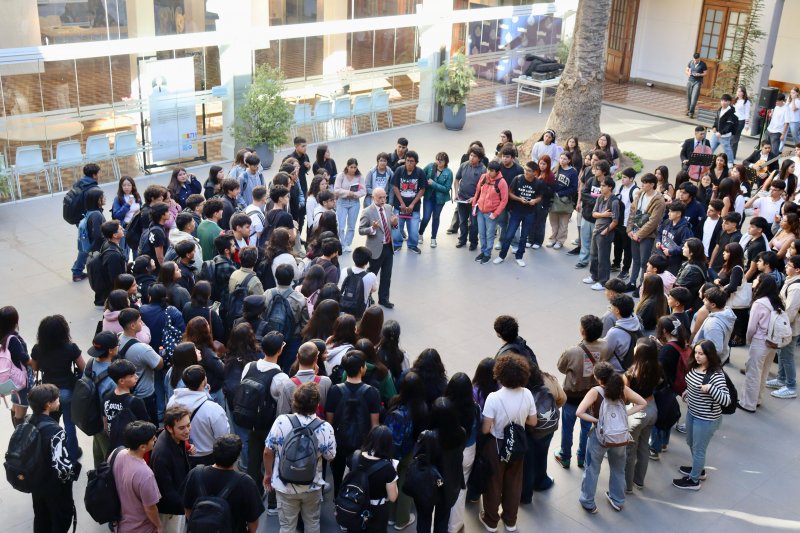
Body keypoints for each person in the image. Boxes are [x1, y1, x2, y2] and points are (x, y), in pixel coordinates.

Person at [264, 382, 336, 533]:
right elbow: (330, 456)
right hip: (312, 485)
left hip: (284, 485)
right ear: (317, 405)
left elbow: (267, 451)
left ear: (295, 402)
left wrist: (268, 474)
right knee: (312, 524)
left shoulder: (281, 421)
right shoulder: (325, 427)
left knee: (287, 527)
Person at [577, 362, 646, 513]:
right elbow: (642, 402)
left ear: (597, 378)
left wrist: (597, 421)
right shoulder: (622, 388)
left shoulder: (595, 392)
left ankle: (588, 501)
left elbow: (579, 412)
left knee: (592, 469)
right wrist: (624, 414)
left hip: (600, 437)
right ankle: (618, 500)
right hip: (619, 436)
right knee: (618, 468)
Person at [479, 353, 538, 531]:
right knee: (514, 483)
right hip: (518, 444)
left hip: (497, 445)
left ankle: (491, 521)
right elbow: (533, 421)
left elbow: (485, 429)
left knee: (494, 483)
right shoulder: (527, 394)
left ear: (500, 374)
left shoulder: (493, 398)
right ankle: (510, 521)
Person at [673, 340, 731, 490]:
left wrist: (710, 388)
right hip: (693, 412)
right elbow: (693, 382)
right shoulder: (695, 366)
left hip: (706, 419)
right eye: (696, 353)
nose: (697, 356)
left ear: (709, 355)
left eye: (701, 354)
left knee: (699, 449)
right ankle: (698, 470)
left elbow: (726, 400)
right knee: (691, 442)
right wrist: (688, 392)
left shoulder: (716, 375)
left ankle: (694, 481)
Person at [183, 434, 265, 533]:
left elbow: (187, 507)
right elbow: (253, 520)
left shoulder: (195, 474)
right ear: (237, 457)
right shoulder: (246, 482)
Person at [555, 315, 607, 469]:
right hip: (592, 396)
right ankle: (582, 457)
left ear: (582, 332)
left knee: (567, 428)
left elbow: (561, 367)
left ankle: (565, 457)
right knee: (586, 428)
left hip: (572, 396)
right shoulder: (605, 347)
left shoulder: (572, 351)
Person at [325, 351, 381, 496]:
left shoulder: (335, 390)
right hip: (362, 445)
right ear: (362, 369)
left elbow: (329, 422)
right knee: (360, 480)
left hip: (339, 444)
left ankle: (338, 500)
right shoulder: (372, 392)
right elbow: (375, 425)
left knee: (338, 478)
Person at [29, 315, 84, 461]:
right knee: (69, 424)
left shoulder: (38, 349)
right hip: (67, 391)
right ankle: (72, 455)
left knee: (50, 424)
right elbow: (83, 367)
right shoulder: (71, 348)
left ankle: (52, 452)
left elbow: (34, 368)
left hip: (48, 393)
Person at [26, 384, 79, 533]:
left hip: (36, 482)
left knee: (41, 518)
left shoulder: (28, 421)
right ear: (48, 404)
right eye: (56, 399)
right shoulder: (55, 431)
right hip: (53, 486)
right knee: (59, 520)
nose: (59, 401)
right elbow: (62, 468)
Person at [412, 397, 465, 533]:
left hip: (428, 484)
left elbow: (416, 456)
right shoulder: (461, 432)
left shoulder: (427, 436)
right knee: (442, 520)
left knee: (424, 519)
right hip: (449, 484)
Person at [740, 273, 783, 413]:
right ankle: (757, 399)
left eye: (757, 280)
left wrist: (749, 339)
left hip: (760, 341)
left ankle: (748, 404)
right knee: (764, 372)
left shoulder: (759, 303)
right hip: (773, 342)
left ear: (761, 285)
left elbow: (751, 328)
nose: (754, 281)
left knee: (753, 373)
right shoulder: (777, 301)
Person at [344, 426, 399, 532]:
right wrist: (395, 473)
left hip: (354, 505)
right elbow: (393, 497)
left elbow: (345, 481)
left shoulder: (354, 457)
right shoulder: (388, 467)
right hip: (377, 512)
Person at [622, 338, 660, 493]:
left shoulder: (630, 374)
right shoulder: (657, 369)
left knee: (630, 451)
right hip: (652, 409)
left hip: (636, 413)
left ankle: (627, 486)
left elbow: (625, 398)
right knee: (644, 446)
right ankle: (639, 481)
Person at [117, 308, 165, 422]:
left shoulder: (118, 337)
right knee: (150, 424)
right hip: (144, 394)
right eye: (140, 320)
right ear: (132, 326)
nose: (142, 323)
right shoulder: (143, 349)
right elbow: (159, 365)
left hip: (128, 390)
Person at [113, 421, 162, 533]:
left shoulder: (116, 453)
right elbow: (150, 508)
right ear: (142, 447)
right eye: (152, 439)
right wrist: (159, 526)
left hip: (120, 524)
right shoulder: (145, 474)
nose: (155, 439)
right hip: (141, 528)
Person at [150, 405, 192, 533]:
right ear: (169, 428)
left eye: (188, 425)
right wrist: (187, 508)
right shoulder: (162, 454)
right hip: (171, 512)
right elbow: (166, 492)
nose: (187, 430)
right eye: (182, 428)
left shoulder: (177, 438)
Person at [264, 264, 310, 371]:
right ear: (292, 277)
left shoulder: (267, 294)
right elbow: (305, 324)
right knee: (289, 369)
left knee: (271, 367)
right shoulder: (300, 298)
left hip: (271, 337)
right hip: (292, 338)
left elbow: (262, 315)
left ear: (276, 276)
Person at [494, 161, 540, 267]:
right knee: (509, 234)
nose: (526, 172)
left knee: (523, 237)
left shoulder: (538, 183)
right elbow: (509, 193)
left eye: (529, 171)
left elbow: (540, 196)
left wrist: (535, 201)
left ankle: (519, 257)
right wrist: (519, 199)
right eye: (525, 169)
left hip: (529, 213)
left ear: (534, 172)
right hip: (516, 212)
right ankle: (501, 256)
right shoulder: (518, 179)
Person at [358, 187, 398, 309]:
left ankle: (384, 299)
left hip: (388, 247)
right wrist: (372, 228)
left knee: (387, 276)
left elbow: (392, 224)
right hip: (375, 249)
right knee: (371, 275)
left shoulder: (389, 208)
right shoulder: (367, 211)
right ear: (373, 198)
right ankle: (367, 296)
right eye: (380, 197)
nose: (383, 200)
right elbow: (361, 230)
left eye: (384, 197)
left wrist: (395, 223)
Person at [627, 173, 666, 291]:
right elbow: (632, 212)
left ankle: (642, 285)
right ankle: (632, 282)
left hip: (648, 235)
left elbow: (653, 221)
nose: (642, 185)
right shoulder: (639, 194)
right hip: (634, 231)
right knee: (636, 259)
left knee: (645, 262)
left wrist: (639, 234)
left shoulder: (659, 200)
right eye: (642, 182)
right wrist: (629, 229)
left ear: (652, 184)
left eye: (645, 183)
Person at [770, 254, 800, 399]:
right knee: (782, 353)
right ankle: (781, 379)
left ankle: (791, 386)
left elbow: (791, 311)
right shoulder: (791, 281)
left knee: (787, 356)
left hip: (790, 327)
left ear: (797, 270)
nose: (786, 267)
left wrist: (782, 327)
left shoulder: (796, 287)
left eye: (789, 265)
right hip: (786, 325)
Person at [584, 176, 619, 291]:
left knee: (603, 258)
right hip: (597, 230)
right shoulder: (600, 198)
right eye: (601, 185)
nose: (601, 187)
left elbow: (615, 221)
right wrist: (603, 214)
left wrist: (605, 231)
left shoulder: (614, 201)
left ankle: (603, 282)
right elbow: (594, 213)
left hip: (605, 233)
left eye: (604, 186)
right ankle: (594, 276)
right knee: (594, 255)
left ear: (610, 187)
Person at [472, 160, 509, 264]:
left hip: (491, 213)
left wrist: (495, 214)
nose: (489, 172)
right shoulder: (483, 177)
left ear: (497, 172)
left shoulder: (502, 182)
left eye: (492, 171)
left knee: (489, 234)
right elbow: (477, 191)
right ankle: (483, 251)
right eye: (488, 169)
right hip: (480, 210)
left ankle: (487, 254)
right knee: (481, 233)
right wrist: (474, 204)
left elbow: (504, 200)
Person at [70, 163, 101, 282]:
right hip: (89, 220)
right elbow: (94, 206)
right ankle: (77, 271)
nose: (99, 175)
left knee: (85, 244)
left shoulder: (80, 183)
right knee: (87, 246)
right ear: (94, 175)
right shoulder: (93, 188)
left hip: (80, 219)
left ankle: (77, 271)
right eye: (98, 173)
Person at [390, 150, 426, 254]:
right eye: (407, 160)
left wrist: (412, 204)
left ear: (416, 162)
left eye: (412, 161)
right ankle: (397, 244)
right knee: (396, 228)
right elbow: (395, 187)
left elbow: (422, 189)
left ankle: (412, 245)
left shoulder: (420, 172)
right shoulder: (399, 170)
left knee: (414, 229)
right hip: (399, 206)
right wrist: (401, 203)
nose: (409, 163)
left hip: (414, 207)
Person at [575, 155, 605, 269]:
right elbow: (583, 193)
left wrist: (594, 201)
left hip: (598, 219)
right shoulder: (591, 180)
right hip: (587, 215)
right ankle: (583, 260)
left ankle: (595, 263)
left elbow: (606, 200)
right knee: (585, 240)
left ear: (604, 171)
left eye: (597, 169)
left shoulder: (608, 183)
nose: (594, 170)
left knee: (595, 244)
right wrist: (596, 201)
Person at [418, 152, 453, 248]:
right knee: (426, 217)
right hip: (428, 196)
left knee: (436, 217)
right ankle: (420, 233)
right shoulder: (430, 166)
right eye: (437, 159)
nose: (438, 162)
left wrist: (434, 184)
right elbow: (421, 175)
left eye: (441, 160)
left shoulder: (448, 172)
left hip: (440, 199)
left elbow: (446, 189)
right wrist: (424, 184)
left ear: (446, 161)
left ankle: (433, 238)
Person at [455, 146, 486, 251]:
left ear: (479, 158)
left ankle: (473, 242)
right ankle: (462, 240)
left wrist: (475, 198)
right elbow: (457, 179)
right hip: (462, 199)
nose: (471, 158)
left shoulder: (483, 169)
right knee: (462, 221)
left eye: (475, 156)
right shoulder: (464, 165)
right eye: (471, 155)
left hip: (474, 202)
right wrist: (456, 193)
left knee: (473, 224)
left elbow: (484, 188)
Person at [548, 151, 579, 249]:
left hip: (565, 200)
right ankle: (553, 239)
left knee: (563, 222)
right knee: (553, 221)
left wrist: (560, 193)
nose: (562, 160)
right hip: (553, 199)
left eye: (565, 159)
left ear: (569, 160)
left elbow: (574, 188)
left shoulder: (572, 172)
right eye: (561, 158)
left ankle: (560, 241)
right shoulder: (556, 168)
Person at [333, 158, 366, 253]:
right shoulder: (341, 176)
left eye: (355, 167)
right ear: (347, 167)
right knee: (341, 225)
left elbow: (363, 191)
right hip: (342, 202)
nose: (353, 169)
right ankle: (342, 243)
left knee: (351, 225)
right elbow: (336, 190)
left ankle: (347, 244)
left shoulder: (359, 177)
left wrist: (355, 194)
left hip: (354, 203)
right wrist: (348, 193)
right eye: (351, 167)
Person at [655, 201, 692, 275]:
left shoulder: (685, 229)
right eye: (669, 211)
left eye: (671, 212)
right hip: (661, 257)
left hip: (673, 262)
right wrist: (658, 241)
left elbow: (685, 246)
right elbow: (659, 232)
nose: (668, 213)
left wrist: (671, 251)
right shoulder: (667, 221)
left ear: (679, 214)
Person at [708, 94, 738, 164]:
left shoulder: (731, 113)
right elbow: (716, 120)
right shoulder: (719, 110)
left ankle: (730, 163)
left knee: (727, 150)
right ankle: (706, 161)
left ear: (729, 102)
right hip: (716, 134)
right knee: (710, 148)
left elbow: (729, 126)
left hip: (724, 136)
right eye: (722, 100)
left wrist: (721, 133)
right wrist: (714, 127)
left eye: (725, 101)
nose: (723, 102)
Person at [685, 52, 707, 118]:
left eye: (696, 60)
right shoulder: (690, 62)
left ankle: (691, 112)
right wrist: (688, 73)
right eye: (694, 60)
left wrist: (699, 74)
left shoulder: (703, 64)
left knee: (694, 97)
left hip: (697, 82)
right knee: (689, 97)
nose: (695, 61)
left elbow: (705, 73)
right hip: (690, 81)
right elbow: (686, 70)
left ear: (699, 58)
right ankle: (688, 110)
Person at [732, 85, 751, 158]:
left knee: (735, 138)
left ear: (743, 93)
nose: (738, 92)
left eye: (740, 91)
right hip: (733, 120)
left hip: (740, 121)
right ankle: (729, 153)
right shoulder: (736, 100)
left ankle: (732, 155)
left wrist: (747, 125)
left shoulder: (746, 102)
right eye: (737, 91)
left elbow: (747, 113)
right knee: (731, 137)